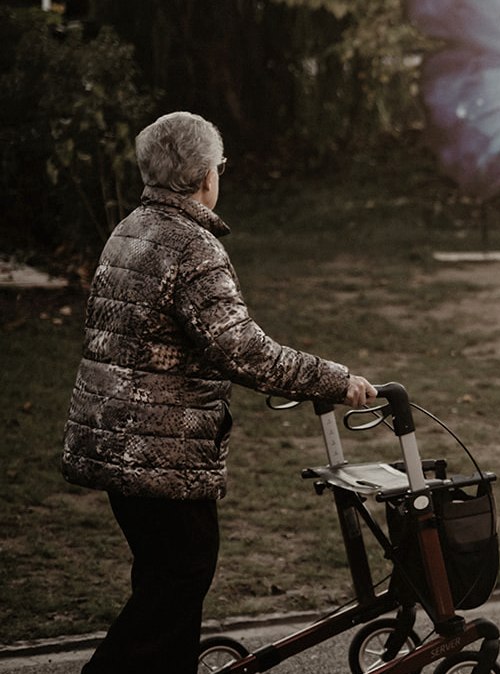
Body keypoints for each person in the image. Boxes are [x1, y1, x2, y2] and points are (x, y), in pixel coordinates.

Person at [61, 111, 379, 674]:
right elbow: (242, 350)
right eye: (220, 166)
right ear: (206, 174)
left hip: (113, 440)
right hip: (160, 453)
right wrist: (335, 379)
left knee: (164, 584)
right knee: (176, 584)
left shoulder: (130, 229)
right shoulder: (192, 246)